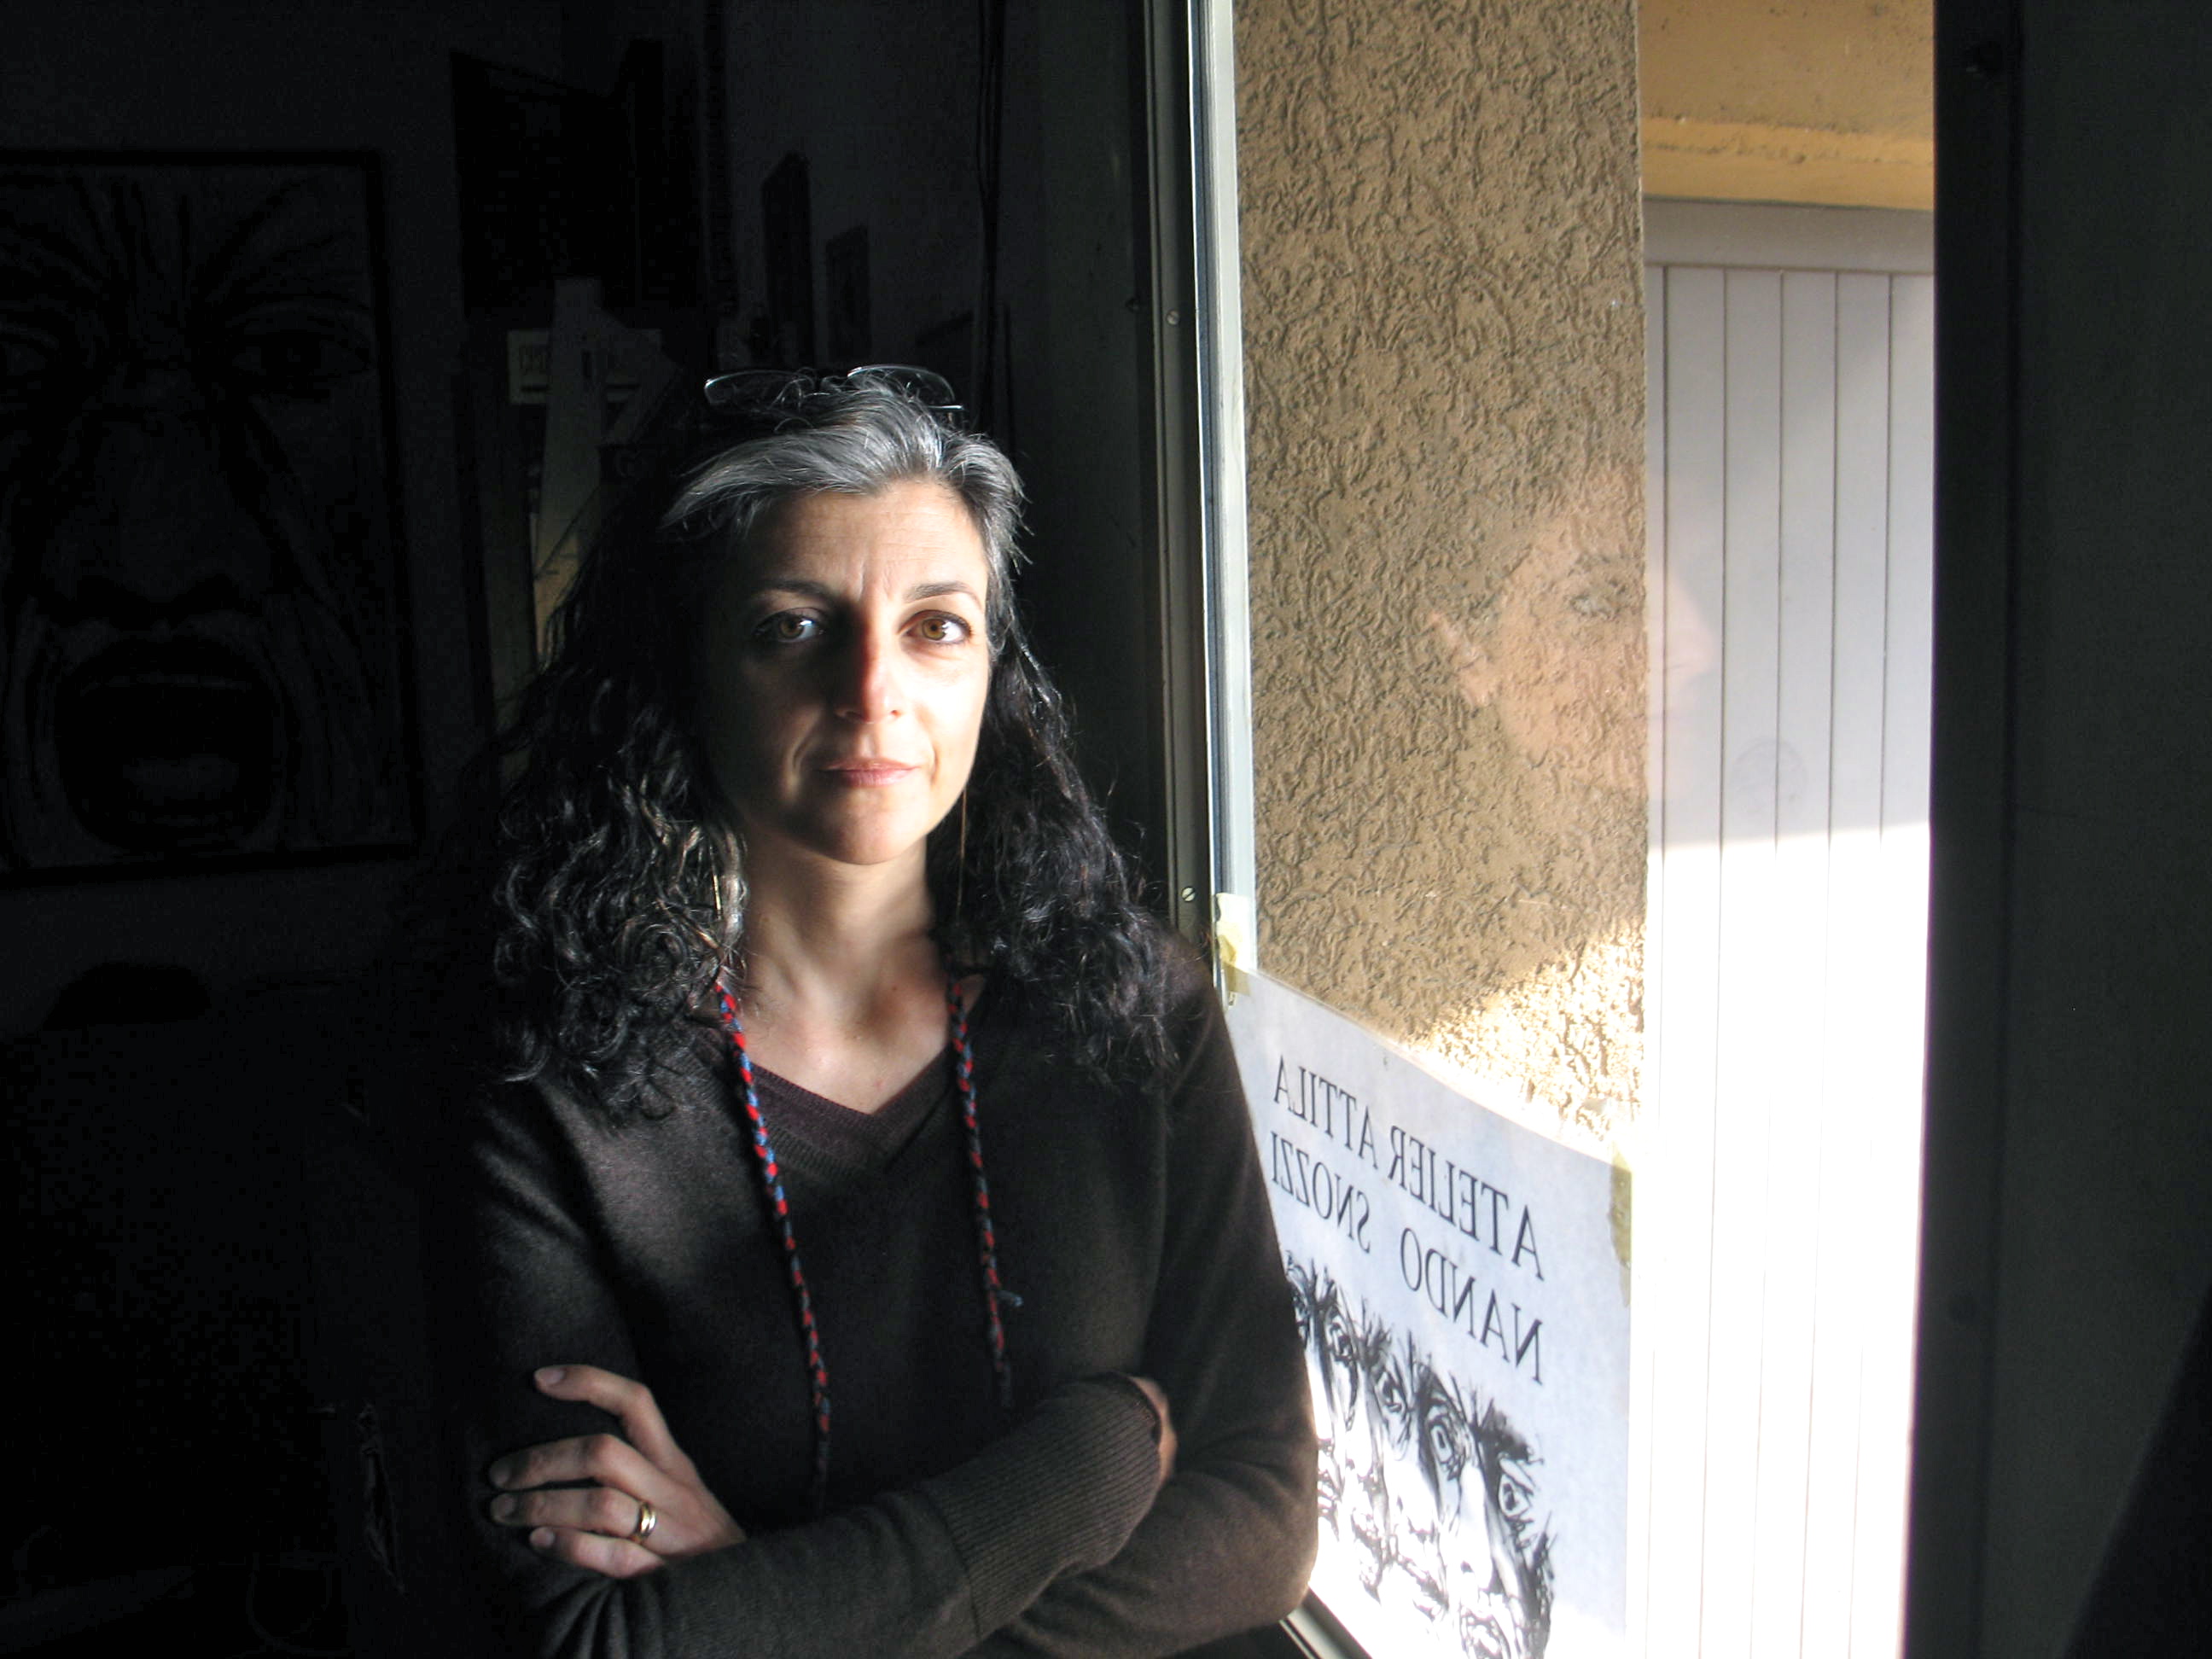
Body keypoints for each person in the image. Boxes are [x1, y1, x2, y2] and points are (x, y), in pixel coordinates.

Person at [422, 369, 1317, 1658]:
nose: (872, 690)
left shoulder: (1136, 1013)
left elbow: (1267, 1525)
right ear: (686, 663)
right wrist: (1089, 1464)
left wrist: (767, 1602)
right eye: (794, 626)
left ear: (993, 671)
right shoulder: (548, 1079)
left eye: (937, 626)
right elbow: (600, 1638)